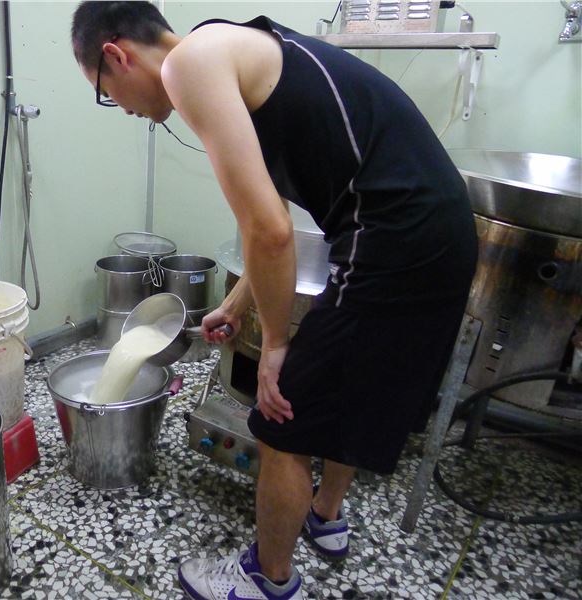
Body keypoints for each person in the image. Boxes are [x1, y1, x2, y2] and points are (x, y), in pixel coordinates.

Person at [71, 3, 477, 599]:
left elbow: (270, 232)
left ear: (116, 55)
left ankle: (266, 579)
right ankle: (325, 516)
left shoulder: (190, 66)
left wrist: (276, 346)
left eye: (107, 94)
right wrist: (239, 303)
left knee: (283, 417)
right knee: (342, 388)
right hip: (433, 228)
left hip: (396, 238)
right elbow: (272, 209)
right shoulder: (229, 47)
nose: (124, 109)